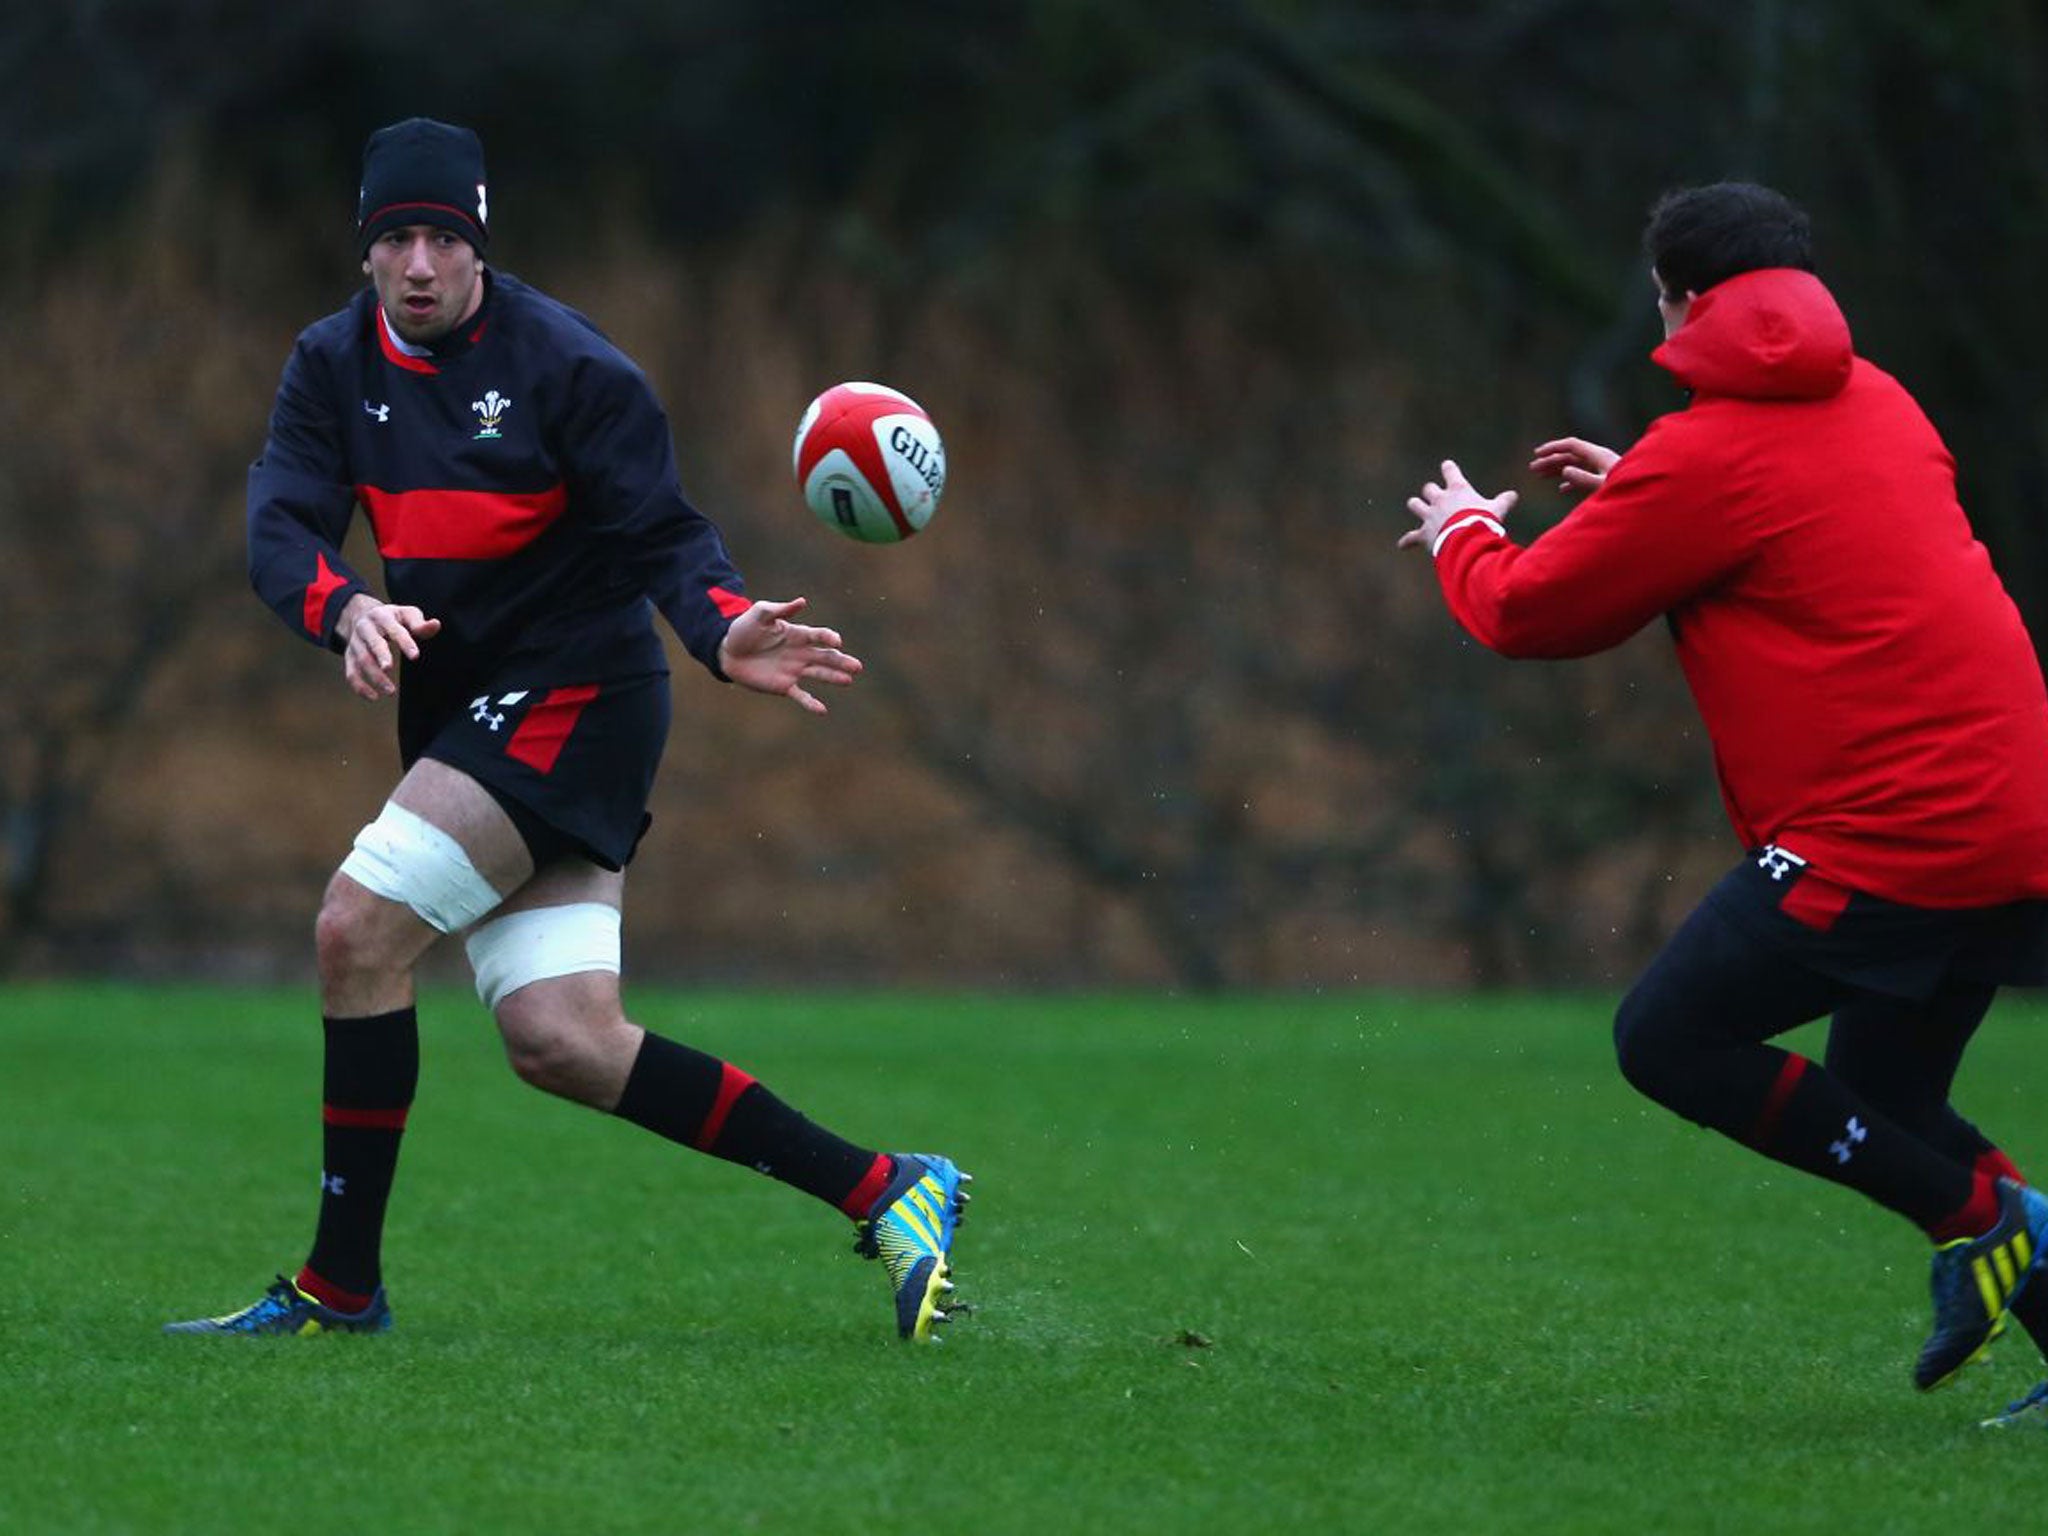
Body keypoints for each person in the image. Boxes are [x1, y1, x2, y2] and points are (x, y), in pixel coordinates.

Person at [165, 117, 969, 1344]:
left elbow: (664, 534)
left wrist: (718, 631)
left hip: (576, 697)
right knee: (562, 1041)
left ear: (479, 246)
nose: (421, 263)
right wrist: (345, 610)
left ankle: (339, 1288)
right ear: (367, 250)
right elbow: (279, 519)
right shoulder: (330, 363)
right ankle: (886, 1188)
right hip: (466, 712)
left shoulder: (570, 369)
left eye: (444, 237)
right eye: (397, 239)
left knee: (354, 927)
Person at [1398, 180, 2048, 1418]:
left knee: (1668, 1039)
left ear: (1684, 301)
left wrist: (1462, 534)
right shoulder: (1882, 399)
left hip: (1889, 830)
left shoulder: (1705, 453)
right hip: (2010, 803)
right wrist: (1638, 498)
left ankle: (1992, 1223)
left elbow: (1528, 615)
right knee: (1889, 1094)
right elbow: (1801, 539)